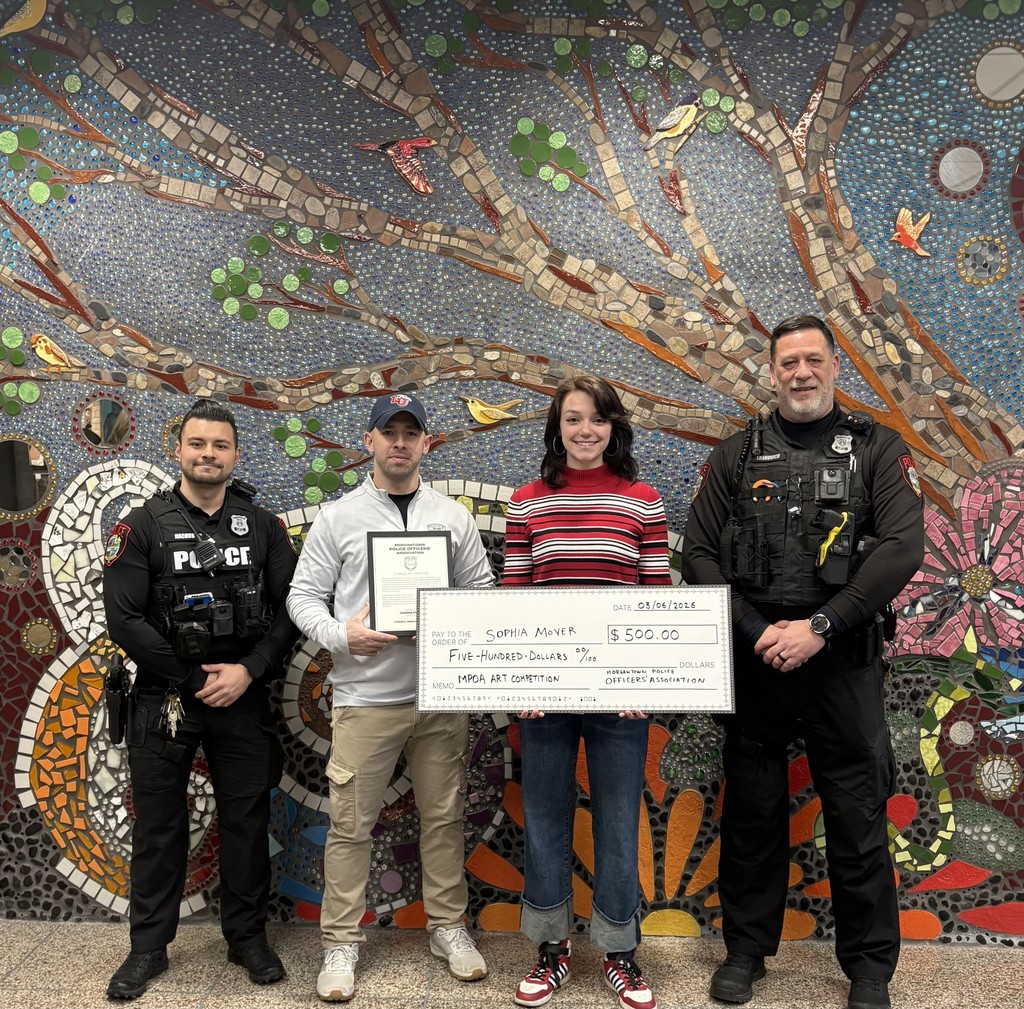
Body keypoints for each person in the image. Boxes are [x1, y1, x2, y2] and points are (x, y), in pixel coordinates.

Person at [680, 315, 925, 1009]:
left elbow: (902, 547)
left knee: (856, 815)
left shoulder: (877, 448)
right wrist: (758, 630)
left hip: (841, 659)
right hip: (757, 659)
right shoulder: (735, 455)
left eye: (813, 359)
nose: (801, 373)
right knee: (751, 813)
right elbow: (696, 553)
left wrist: (821, 625)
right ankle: (745, 953)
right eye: (788, 362)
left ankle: (869, 969)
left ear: (835, 366)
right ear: (771, 372)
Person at [286, 392, 493, 1003]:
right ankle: (341, 942)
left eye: (410, 432)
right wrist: (340, 636)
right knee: (351, 826)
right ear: (369, 442)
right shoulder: (338, 518)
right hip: (364, 698)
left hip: (440, 697)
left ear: (427, 442)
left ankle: (448, 928)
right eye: (389, 432)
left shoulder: (452, 517)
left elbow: (482, 590)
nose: (399, 443)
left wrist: (449, 623)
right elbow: (302, 597)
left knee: (444, 818)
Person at [102, 398, 300, 1000]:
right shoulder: (141, 526)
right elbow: (124, 619)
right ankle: (147, 948)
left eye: (219, 445)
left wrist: (249, 670)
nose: (208, 454)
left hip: (243, 694)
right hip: (165, 697)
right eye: (197, 443)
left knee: (247, 821)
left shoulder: (262, 527)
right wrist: (193, 679)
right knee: (159, 826)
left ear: (235, 454)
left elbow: (292, 609)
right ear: (178, 449)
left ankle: (247, 938)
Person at [502, 375, 671, 1009]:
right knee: (545, 816)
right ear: (557, 428)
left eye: (597, 419)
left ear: (613, 428)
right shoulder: (527, 502)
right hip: (544, 693)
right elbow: (513, 599)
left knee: (618, 821)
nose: (585, 430)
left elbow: (656, 599)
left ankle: (620, 951)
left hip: (621, 696)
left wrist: (643, 680)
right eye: (573, 419)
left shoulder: (643, 502)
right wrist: (521, 681)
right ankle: (551, 948)